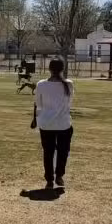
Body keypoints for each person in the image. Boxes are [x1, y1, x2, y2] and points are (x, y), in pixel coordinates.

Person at [31, 58, 74, 189]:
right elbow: (69, 104)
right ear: (62, 69)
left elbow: (38, 104)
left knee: (48, 152)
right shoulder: (69, 85)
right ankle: (59, 175)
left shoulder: (41, 84)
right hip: (63, 123)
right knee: (63, 151)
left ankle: (49, 179)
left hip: (46, 123)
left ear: (49, 69)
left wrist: (34, 119)